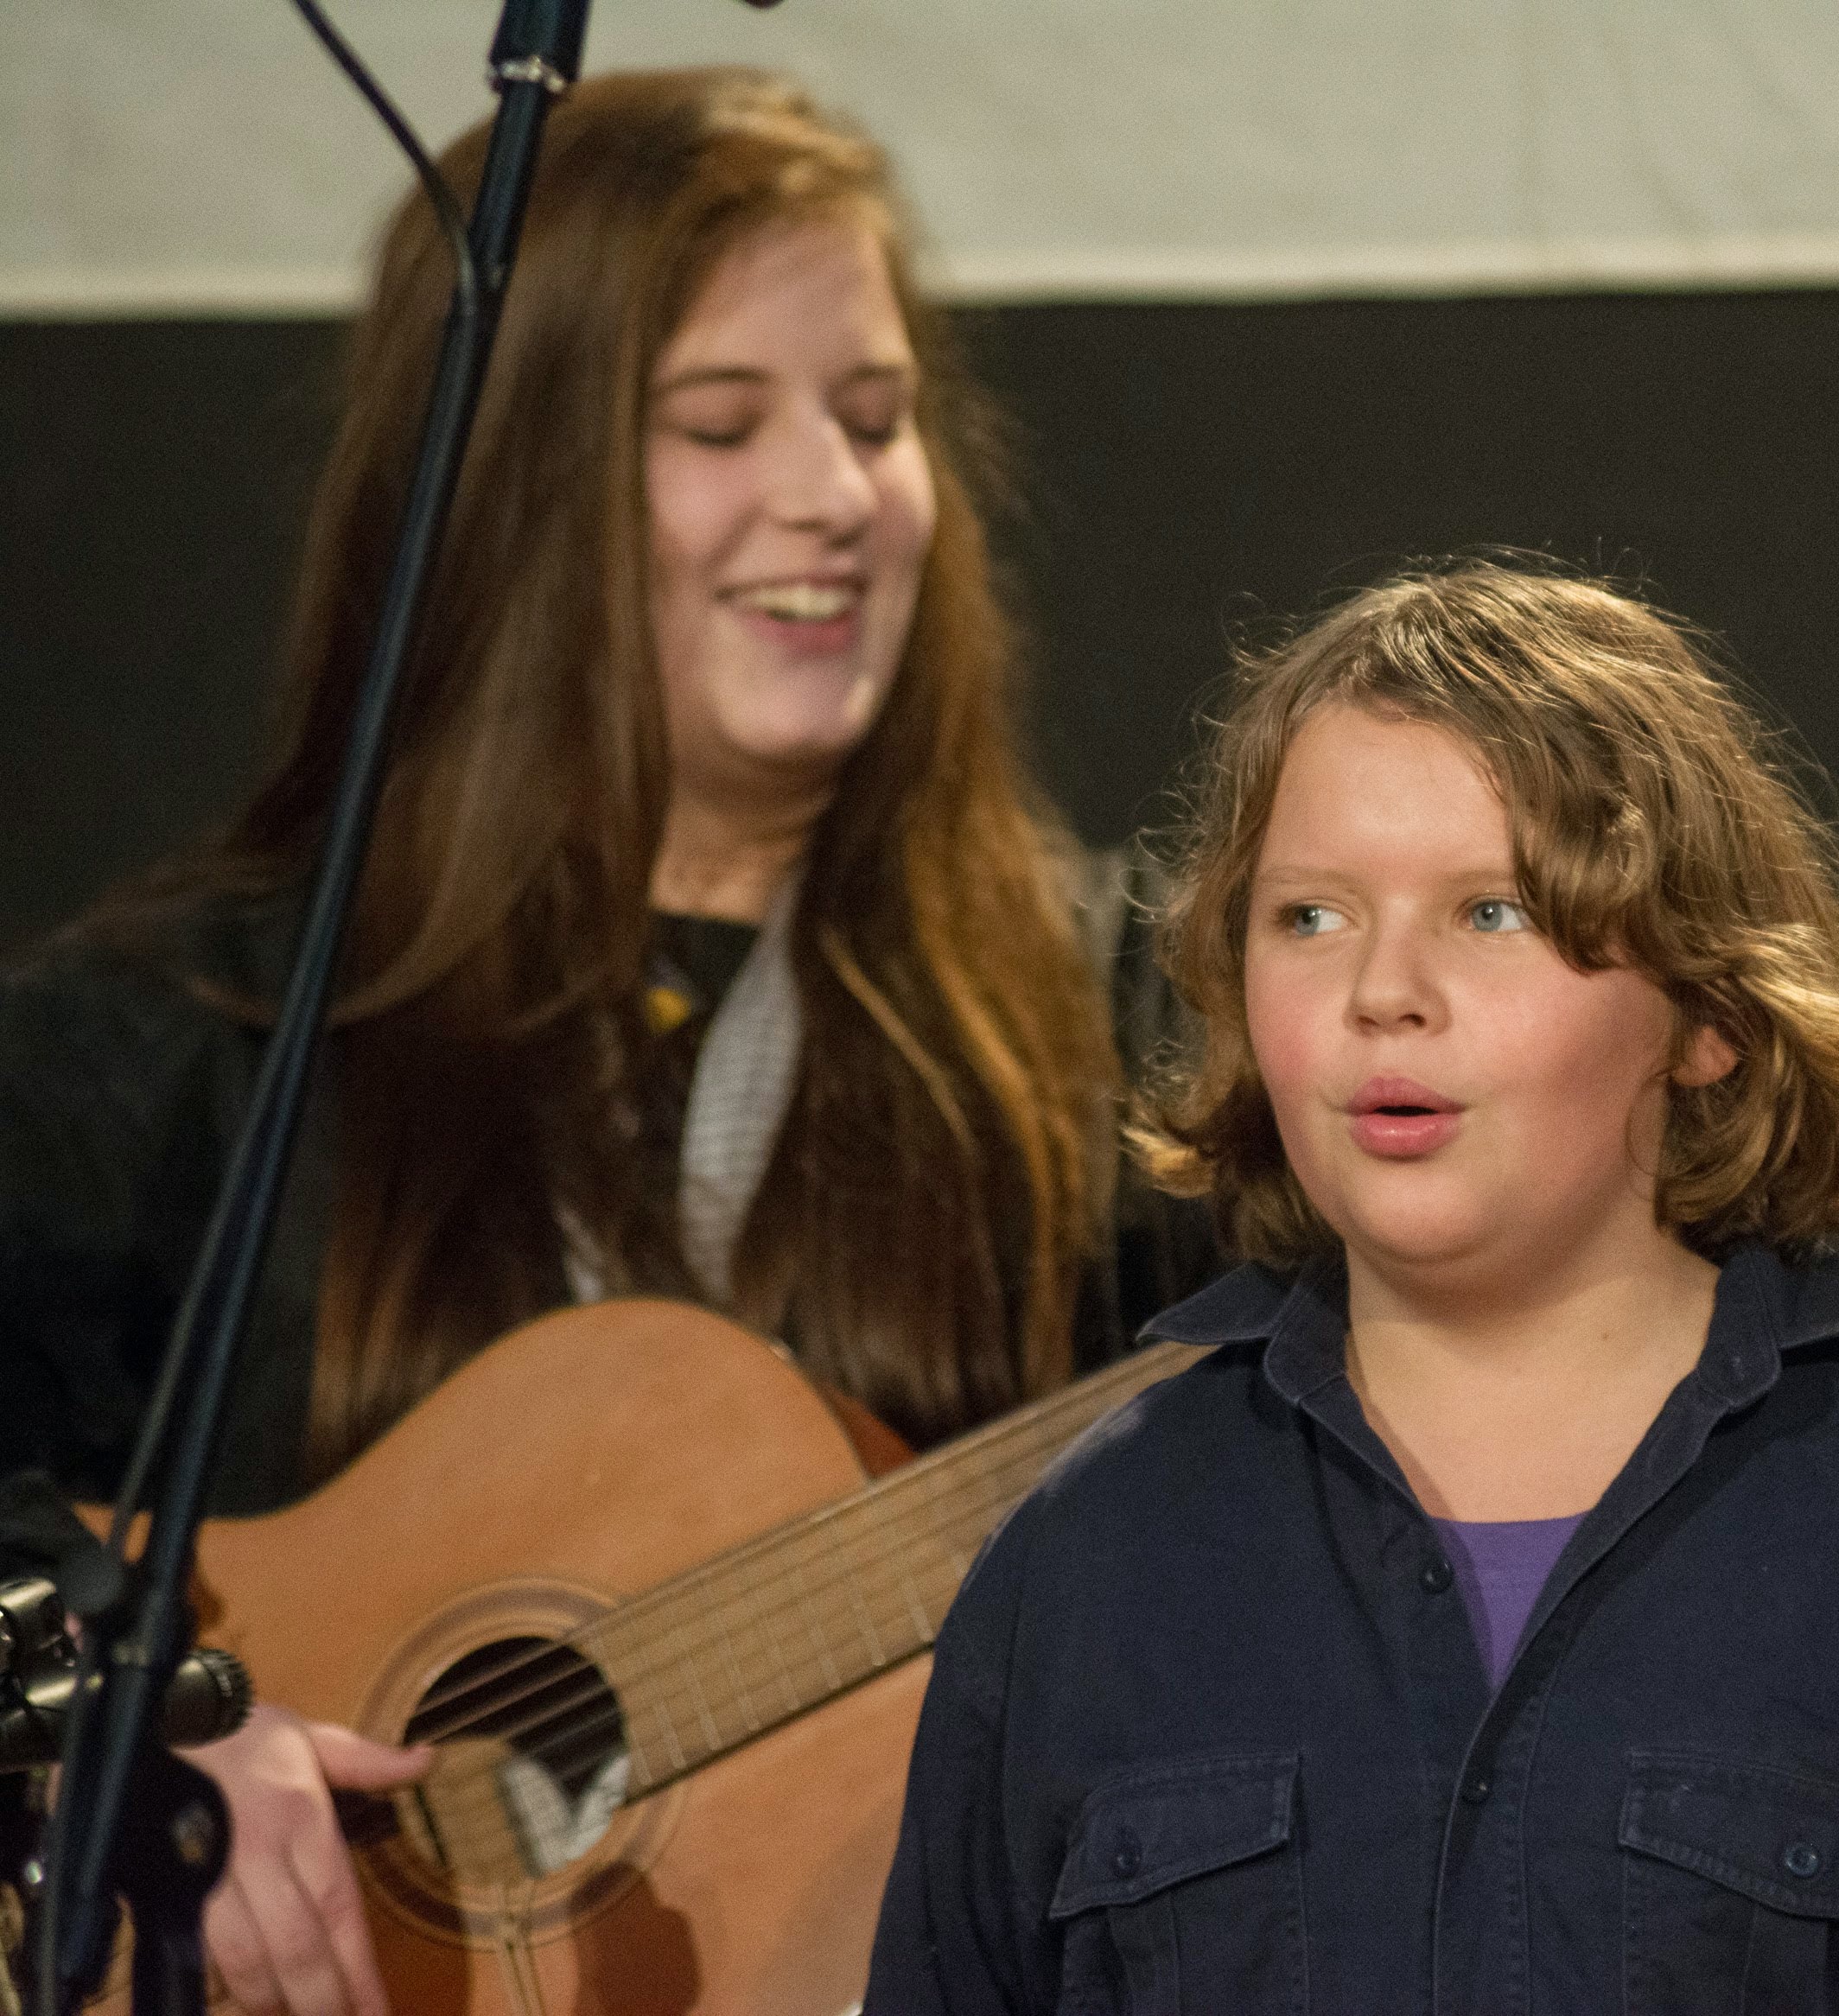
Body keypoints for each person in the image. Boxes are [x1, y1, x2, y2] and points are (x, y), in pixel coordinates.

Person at [0, 69, 1196, 2016]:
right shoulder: (195, 1034)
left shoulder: (1130, 1012)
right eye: (718, 423)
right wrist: (119, 1712)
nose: (834, 495)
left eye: (875, 417)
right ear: (497, 491)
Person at [862, 561, 1839, 2014]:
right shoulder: (1080, 1573)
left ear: (1710, 1012)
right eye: (1310, 917)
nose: (1382, 990)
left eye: (1490, 912)